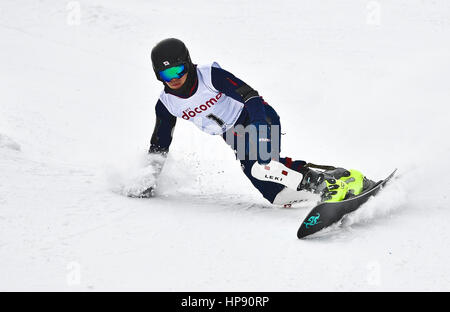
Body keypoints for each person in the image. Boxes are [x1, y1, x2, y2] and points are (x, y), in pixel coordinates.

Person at [135, 38, 375, 205]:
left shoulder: (210, 76)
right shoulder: (167, 104)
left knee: (264, 167)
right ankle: (338, 180)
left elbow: (250, 95)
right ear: (158, 75)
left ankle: (326, 186)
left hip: (258, 116)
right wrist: (149, 179)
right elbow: (160, 144)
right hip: (234, 134)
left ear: (187, 64)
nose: (174, 79)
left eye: (178, 70)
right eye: (166, 74)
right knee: (277, 196)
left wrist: (259, 124)